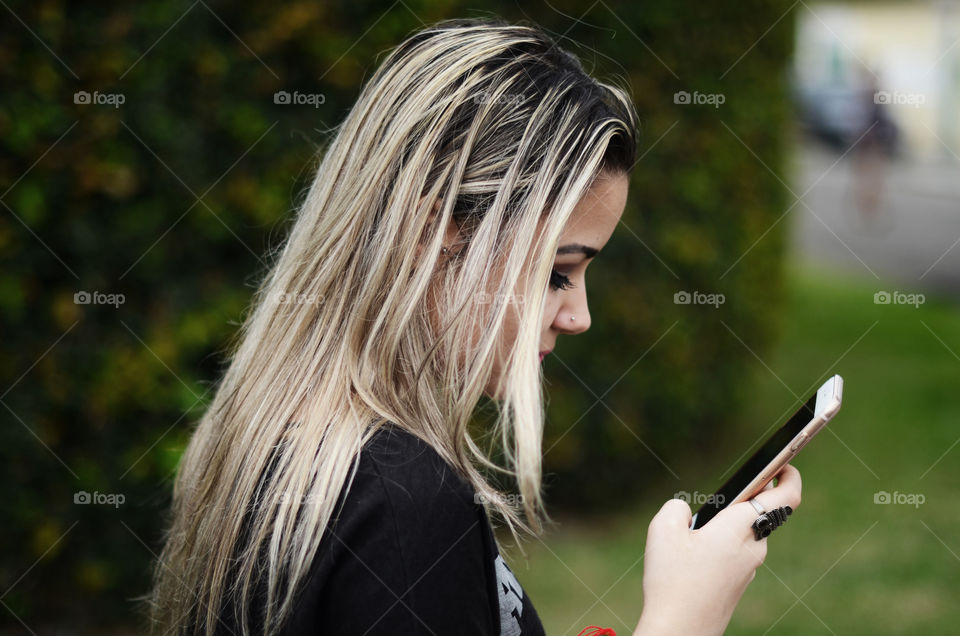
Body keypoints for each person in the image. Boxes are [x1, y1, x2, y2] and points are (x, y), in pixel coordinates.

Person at [148, 17, 802, 636]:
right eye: (555, 273)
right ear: (435, 233)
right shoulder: (403, 506)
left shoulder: (288, 441)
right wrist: (682, 621)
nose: (579, 317)